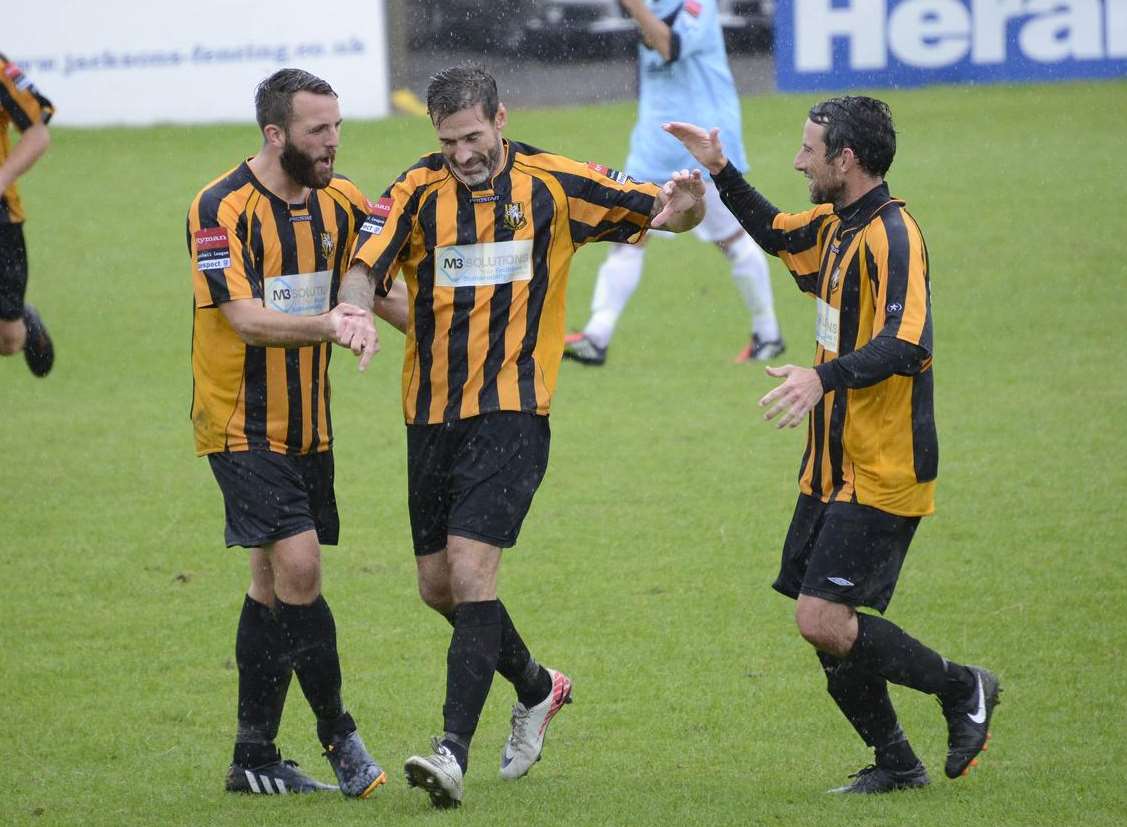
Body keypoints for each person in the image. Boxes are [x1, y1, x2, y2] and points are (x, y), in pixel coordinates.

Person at [339, 63, 704, 809]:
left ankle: (450, 751)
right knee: (438, 588)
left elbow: (665, 215)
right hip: (430, 415)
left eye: (472, 137)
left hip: (513, 411)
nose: (462, 154)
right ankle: (538, 687)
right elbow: (362, 267)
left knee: (474, 577)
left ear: (500, 118)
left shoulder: (555, 183)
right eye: (447, 142)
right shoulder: (415, 190)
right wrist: (350, 311)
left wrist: (691, 206)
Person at [665, 98, 1001, 794]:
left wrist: (821, 378)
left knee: (820, 616)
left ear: (844, 159)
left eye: (808, 149)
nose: (797, 160)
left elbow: (908, 343)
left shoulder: (893, 235)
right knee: (822, 621)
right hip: (829, 465)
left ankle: (961, 685)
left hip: (884, 465)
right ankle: (896, 761)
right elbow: (776, 232)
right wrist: (721, 170)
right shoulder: (832, 226)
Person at [186, 68, 407, 799]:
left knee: (272, 585)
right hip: (238, 422)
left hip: (310, 425)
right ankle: (340, 735)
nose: (333, 141)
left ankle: (253, 754)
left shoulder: (340, 201)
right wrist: (331, 323)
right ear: (275, 133)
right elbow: (244, 319)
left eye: (337, 126)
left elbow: (383, 292)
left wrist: (473, 328)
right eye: (318, 130)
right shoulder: (218, 209)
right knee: (302, 568)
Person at [562, 0, 782, 367]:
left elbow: (670, 46)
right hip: (653, 147)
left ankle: (768, 333)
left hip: (701, 145)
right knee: (629, 235)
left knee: (730, 238)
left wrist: (633, 6)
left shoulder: (697, 5)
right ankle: (597, 335)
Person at [0, 53, 55, 377]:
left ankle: (23, 321)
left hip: (2, 216)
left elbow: (37, 133)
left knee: (7, 340)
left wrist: (2, 180)